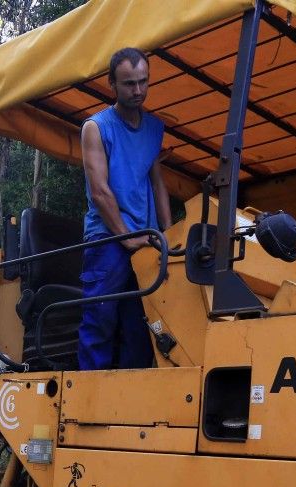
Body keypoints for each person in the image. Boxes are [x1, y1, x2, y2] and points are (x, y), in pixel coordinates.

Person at [79, 46, 173, 371]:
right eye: (129, 84)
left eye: (143, 82)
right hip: (107, 240)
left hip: (145, 241)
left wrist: (169, 235)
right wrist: (125, 237)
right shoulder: (96, 127)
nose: (138, 91)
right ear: (112, 84)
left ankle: (129, 404)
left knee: (142, 326)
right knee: (101, 320)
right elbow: (100, 192)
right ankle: (87, 403)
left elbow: (157, 182)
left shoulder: (155, 128)